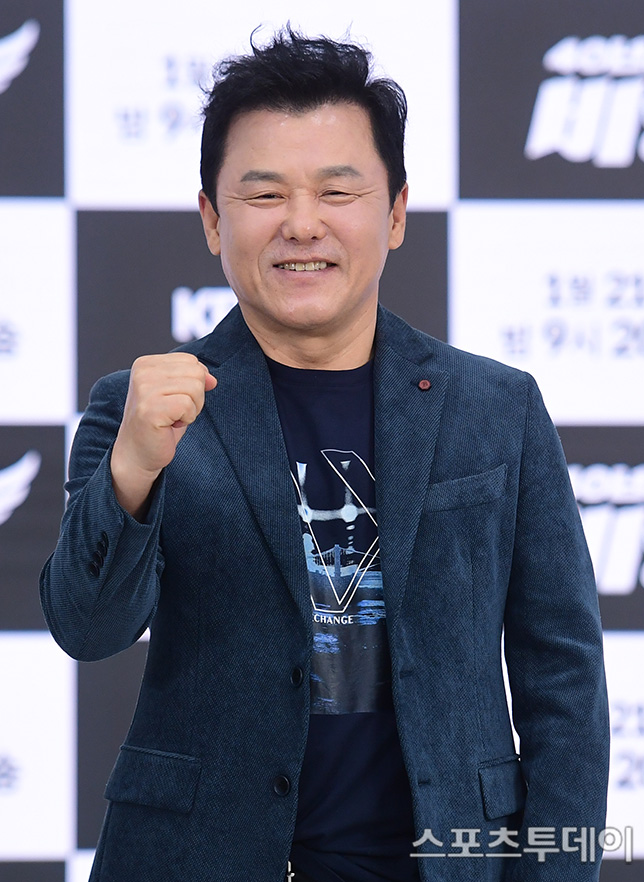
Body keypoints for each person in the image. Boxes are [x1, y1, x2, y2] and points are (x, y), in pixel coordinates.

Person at [40, 28, 609, 882]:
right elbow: (88, 630)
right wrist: (133, 472)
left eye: (337, 191)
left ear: (396, 212)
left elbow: (564, 679)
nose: (301, 224)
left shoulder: (497, 409)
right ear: (212, 218)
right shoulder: (140, 409)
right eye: (264, 193)